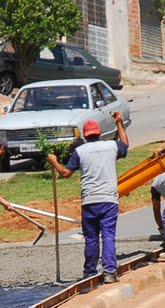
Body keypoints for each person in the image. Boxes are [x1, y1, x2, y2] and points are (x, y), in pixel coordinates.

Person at [47, 111, 128, 282]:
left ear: (85, 135)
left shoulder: (80, 151)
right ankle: (109, 272)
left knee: (91, 238)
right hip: (108, 200)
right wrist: (119, 123)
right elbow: (125, 144)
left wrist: (53, 161)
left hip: (90, 201)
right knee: (108, 236)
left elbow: (65, 172)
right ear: (98, 133)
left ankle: (89, 272)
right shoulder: (111, 146)